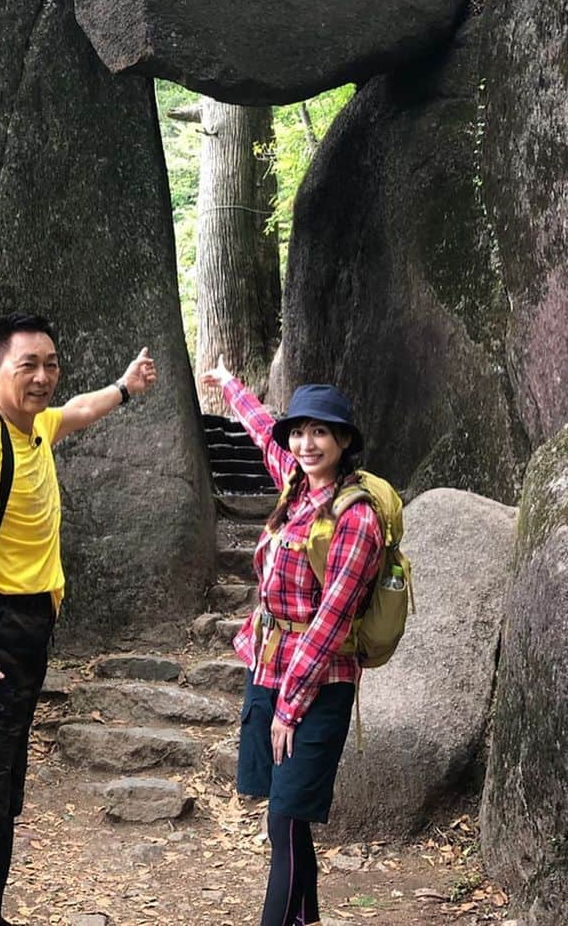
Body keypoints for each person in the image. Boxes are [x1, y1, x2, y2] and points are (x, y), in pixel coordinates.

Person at [0, 312, 156, 926]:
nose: (42, 377)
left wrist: (125, 387)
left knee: (1, 781)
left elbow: (79, 410)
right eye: (27, 364)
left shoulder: (33, 429)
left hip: (26, 628)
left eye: (50, 364)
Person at [200, 357, 384, 926]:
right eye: (300, 431)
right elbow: (263, 432)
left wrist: (289, 706)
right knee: (288, 816)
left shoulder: (357, 520)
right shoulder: (297, 488)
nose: (305, 443)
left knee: (284, 817)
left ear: (343, 440)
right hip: (269, 664)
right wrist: (229, 384)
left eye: (319, 431)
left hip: (319, 681)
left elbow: (332, 620)